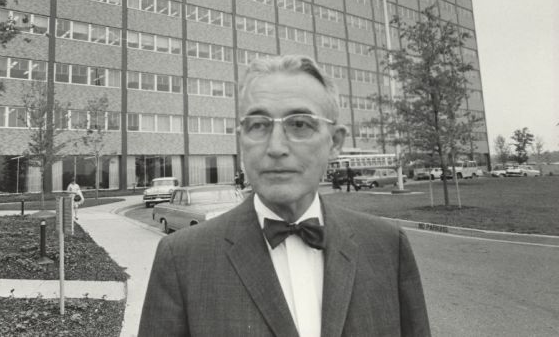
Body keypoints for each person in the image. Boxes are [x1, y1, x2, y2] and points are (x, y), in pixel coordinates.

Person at [139, 55, 430, 336]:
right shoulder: (182, 258)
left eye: (300, 124)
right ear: (242, 139)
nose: (276, 147)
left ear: (335, 142)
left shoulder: (388, 246)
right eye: (258, 125)